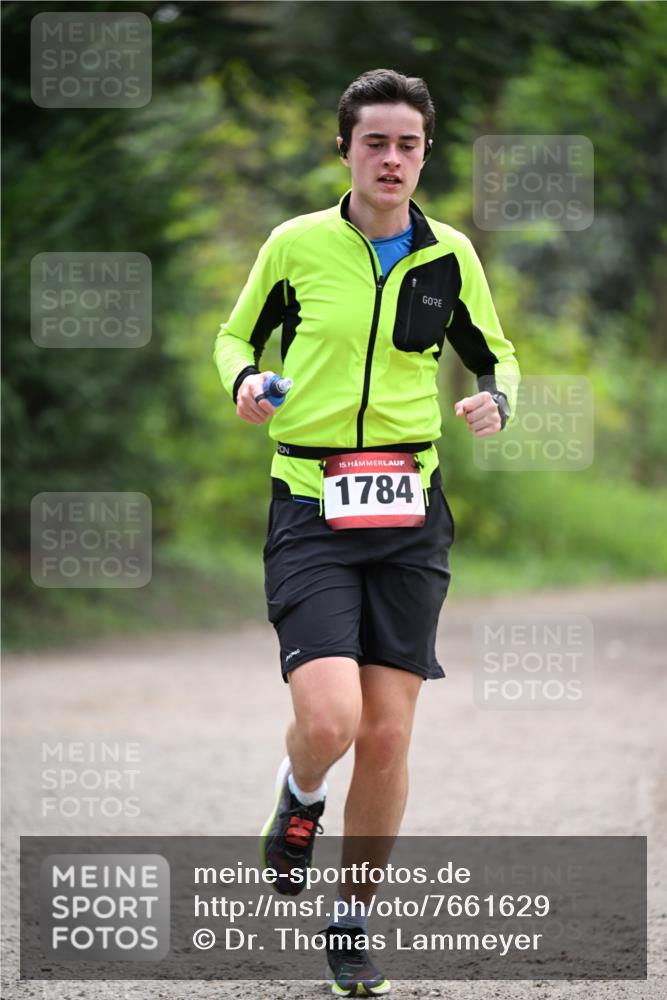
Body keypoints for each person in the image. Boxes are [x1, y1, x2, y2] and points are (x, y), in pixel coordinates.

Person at [214, 68, 519, 998]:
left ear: (425, 155)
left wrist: (495, 399)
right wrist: (244, 384)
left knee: (386, 737)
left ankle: (351, 923)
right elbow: (234, 338)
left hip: (407, 513)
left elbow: (494, 351)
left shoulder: (450, 256)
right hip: (310, 504)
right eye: (375, 142)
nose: (392, 158)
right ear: (343, 149)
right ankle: (298, 798)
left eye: (409, 145)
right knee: (331, 720)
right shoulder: (296, 245)